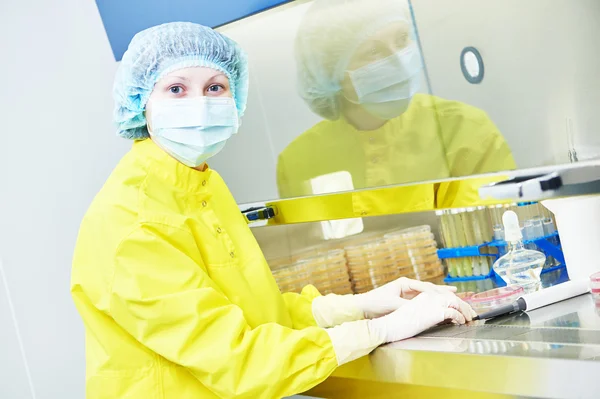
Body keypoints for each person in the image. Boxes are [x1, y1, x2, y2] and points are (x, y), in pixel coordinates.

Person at [71, 22, 475, 399]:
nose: (200, 104)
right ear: (142, 103)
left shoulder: (199, 184)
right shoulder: (133, 222)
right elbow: (236, 358)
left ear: (236, 98)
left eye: (215, 87)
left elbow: (256, 313)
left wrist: (359, 305)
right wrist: (381, 329)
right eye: (176, 89)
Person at [277, 0, 516, 209]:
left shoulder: (466, 129)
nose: (400, 62)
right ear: (331, 73)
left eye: (402, 39)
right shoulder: (298, 162)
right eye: (373, 51)